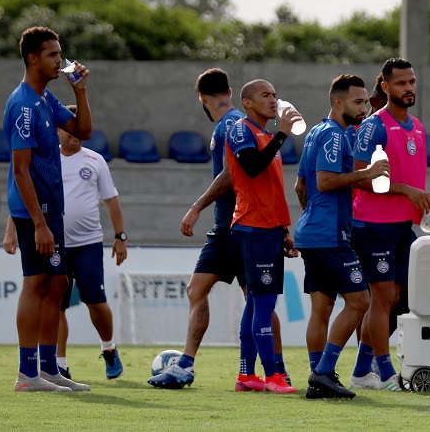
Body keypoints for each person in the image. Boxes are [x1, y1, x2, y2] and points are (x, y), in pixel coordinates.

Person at [151, 68, 288, 391]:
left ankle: (276, 370)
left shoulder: (232, 125)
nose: (271, 100)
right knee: (200, 290)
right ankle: (186, 363)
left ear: (200, 97)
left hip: (239, 225)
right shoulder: (234, 123)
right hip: (228, 225)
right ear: (228, 91)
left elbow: (232, 173)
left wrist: (197, 205)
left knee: (258, 299)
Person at [3, 104, 127, 382]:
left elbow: (112, 201)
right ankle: (58, 364)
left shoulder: (95, 160)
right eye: (71, 129)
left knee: (96, 301)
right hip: (55, 243)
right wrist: (11, 230)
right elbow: (25, 195)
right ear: (58, 130)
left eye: (80, 130)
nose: (76, 135)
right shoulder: (46, 160)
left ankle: (109, 348)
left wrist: (120, 237)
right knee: (55, 302)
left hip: (88, 243)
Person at [4, 26, 93, 392]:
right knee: (37, 283)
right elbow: (20, 169)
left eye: (60, 54)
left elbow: (83, 131)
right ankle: (27, 375)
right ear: (32, 58)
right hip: (34, 212)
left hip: (52, 208)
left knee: (57, 284)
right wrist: (39, 224)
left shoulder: (45, 99)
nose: (61, 60)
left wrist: (80, 91)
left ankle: (48, 368)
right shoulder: (23, 104)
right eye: (53, 55)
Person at [295, 74, 392, 399]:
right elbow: (324, 181)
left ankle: (318, 376)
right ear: (338, 102)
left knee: (321, 308)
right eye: (358, 102)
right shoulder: (335, 136)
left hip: (313, 232)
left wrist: (311, 218)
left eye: (365, 101)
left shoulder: (315, 133)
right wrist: (367, 172)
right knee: (360, 300)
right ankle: (323, 372)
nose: (364, 107)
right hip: (329, 235)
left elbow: (301, 186)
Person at [348, 58, 430, 390]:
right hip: (373, 224)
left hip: (401, 226)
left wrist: (424, 208)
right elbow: (358, 177)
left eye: (412, 81)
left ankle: (360, 370)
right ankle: (385, 372)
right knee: (382, 298)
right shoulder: (374, 126)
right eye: (401, 83)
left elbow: (410, 183)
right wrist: (404, 189)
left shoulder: (418, 127)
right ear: (385, 87)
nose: (409, 88)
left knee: (394, 296)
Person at [224, 79, 302, 395]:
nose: (273, 100)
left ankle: (247, 375)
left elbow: (270, 189)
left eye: (275, 94)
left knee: (256, 303)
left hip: (267, 229)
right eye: (265, 95)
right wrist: (283, 133)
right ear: (247, 102)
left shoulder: (267, 135)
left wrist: (283, 229)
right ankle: (272, 375)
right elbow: (252, 168)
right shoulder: (241, 130)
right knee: (264, 304)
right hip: (252, 227)